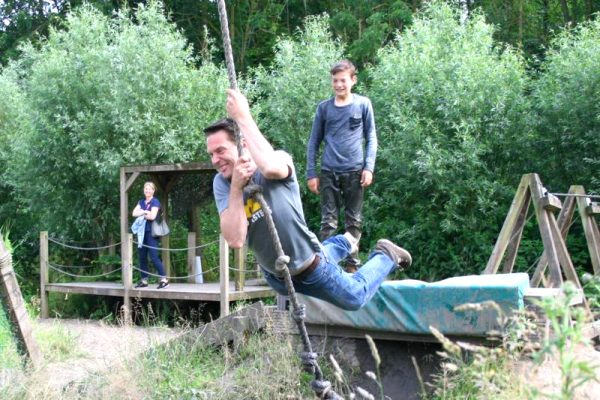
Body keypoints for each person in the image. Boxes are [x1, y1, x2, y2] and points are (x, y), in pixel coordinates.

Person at [204, 89, 410, 311]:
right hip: (277, 276)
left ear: (242, 144)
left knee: (355, 297)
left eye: (220, 150)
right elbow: (235, 240)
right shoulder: (222, 183)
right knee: (304, 267)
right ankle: (344, 242)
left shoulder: (278, 160)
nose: (215, 159)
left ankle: (386, 254)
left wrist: (243, 117)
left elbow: (271, 167)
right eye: (211, 154)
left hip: (310, 269)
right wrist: (236, 187)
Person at [306, 60, 378, 272]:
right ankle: (328, 266)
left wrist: (369, 167)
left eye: (343, 80)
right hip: (329, 172)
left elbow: (372, 137)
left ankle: (352, 267)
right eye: (335, 81)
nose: (339, 85)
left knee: (353, 221)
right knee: (328, 222)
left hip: (355, 172)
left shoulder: (363, 104)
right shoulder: (324, 108)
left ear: (353, 81)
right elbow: (313, 142)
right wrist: (311, 173)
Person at [131, 182, 169, 289]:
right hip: (141, 233)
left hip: (152, 233)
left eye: (149, 189)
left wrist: (142, 212)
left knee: (154, 257)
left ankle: (164, 280)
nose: (147, 191)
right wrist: (145, 212)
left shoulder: (155, 201)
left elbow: (152, 216)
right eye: (146, 189)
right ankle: (144, 280)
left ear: (153, 190)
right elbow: (134, 213)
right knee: (142, 257)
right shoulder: (141, 201)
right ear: (144, 190)